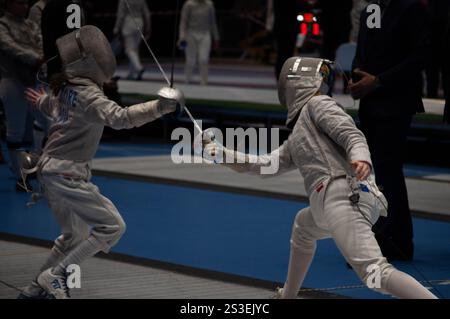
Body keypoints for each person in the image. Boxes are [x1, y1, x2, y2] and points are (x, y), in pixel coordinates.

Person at [202, 57, 437, 299]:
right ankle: (288, 296)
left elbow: (352, 135)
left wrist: (361, 158)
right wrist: (221, 154)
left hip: (344, 194)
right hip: (327, 203)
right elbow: (264, 165)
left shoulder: (319, 104)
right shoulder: (297, 136)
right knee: (303, 227)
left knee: (375, 273)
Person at [18, 25, 185, 299]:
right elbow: (120, 118)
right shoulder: (89, 95)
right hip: (65, 174)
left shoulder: (67, 88)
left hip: (50, 170)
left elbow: (57, 109)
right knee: (112, 227)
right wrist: (159, 107)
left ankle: (31, 291)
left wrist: (42, 102)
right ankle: (55, 275)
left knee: (72, 238)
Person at [349, 0, 431, 260]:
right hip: (371, 102)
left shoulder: (411, 8)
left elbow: (421, 56)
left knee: (388, 170)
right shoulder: (369, 10)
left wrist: (380, 81)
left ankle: (394, 239)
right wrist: (356, 77)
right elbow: (362, 51)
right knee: (374, 171)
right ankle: (389, 236)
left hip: (396, 101)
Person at [0, 0, 43, 191]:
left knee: (48, 124)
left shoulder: (31, 25)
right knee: (15, 131)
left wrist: (43, 58)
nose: (24, 7)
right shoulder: (2, 24)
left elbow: (41, 44)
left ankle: (38, 168)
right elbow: (9, 46)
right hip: (12, 82)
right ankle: (20, 177)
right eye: (19, 3)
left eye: (26, 3)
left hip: (34, 81)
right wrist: (36, 58)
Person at [178, 0, 219, 86]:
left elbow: (213, 22)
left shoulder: (209, 4)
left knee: (203, 60)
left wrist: (216, 37)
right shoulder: (188, 4)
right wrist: (182, 37)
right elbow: (183, 22)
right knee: (190, 61)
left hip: (205, 34)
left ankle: (204, 84)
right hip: (191, 34)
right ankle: (186, 82)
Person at [114, 0, 151, 81]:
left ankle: (139, 68)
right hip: (140, 22)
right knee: (135, 50)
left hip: (128, 23)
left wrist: (116, 28)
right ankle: (132, 73)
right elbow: (147, 14)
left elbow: (121, 15)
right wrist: (148, 28)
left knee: (129, 50)